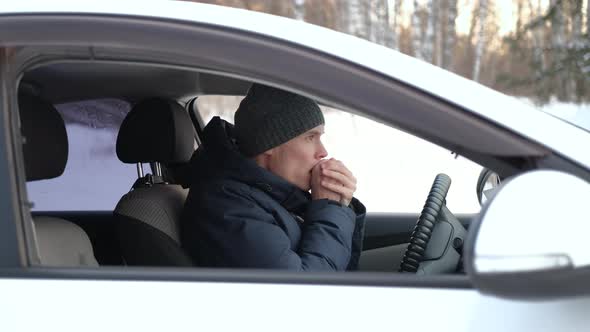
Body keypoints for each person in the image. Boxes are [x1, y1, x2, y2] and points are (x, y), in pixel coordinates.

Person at [181, 83, 366, 271]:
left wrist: (340, 206)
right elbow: (304, 293)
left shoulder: (272, 195)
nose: (323, 152)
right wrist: (331, 210)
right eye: (310, 137)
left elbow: (340, 276)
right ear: (269, 143)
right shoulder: (226, 208)